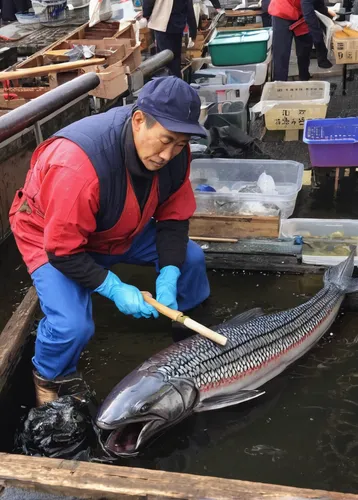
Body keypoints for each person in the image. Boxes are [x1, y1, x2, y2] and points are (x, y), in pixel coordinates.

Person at [9, 76, 210, 407]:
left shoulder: (176, 153)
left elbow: (173, 219)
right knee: (72, 325)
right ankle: (49, 377)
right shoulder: (78, 165)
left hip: (120, 221)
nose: (168, 153)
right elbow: (63, 250)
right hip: (51, 232)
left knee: (189, 260)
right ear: (139, 119)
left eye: (180, 143)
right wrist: (114, 287)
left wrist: (169, 273)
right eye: (165, 140)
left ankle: (188, 328)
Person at [269, 0, 336, 81]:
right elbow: (312, 22)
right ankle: (279, 84)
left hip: (301, 11)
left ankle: (304, 78)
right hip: (283, 10)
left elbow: (318, 3)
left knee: (305, 48)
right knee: (281, 52)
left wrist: (330, 14)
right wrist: (321, 50)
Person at [142, 0, 197, 78]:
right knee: (175, 60)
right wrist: (193, 30)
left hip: (163, 24)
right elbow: (189, 7)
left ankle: (168, 85)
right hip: (178, 24)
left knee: (164, 60)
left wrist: (146, 14)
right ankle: (176, 84)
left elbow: (148, 2)